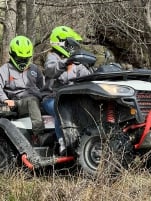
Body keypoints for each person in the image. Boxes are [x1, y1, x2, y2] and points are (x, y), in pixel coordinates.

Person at [41, 26, 91, 155]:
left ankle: (86, 140)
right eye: (69, 44)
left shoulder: (75, 62)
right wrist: (65, 63)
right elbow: (50, 70)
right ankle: (64, 143)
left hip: (70, 98)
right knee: (62, 108)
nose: (72, 48)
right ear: (61, 43)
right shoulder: (53, 57)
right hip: (51, 98)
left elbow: (86, 76)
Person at [0, 35, 44, 145]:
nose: (23, 61)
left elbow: (44, 87)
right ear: (13, 55)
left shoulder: (34, 69)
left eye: (25, 58)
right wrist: (5, 100)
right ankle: (38, 136)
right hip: (18, 103)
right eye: (20, 58)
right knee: (32, 101)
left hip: (37, 100)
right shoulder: (5, 69)